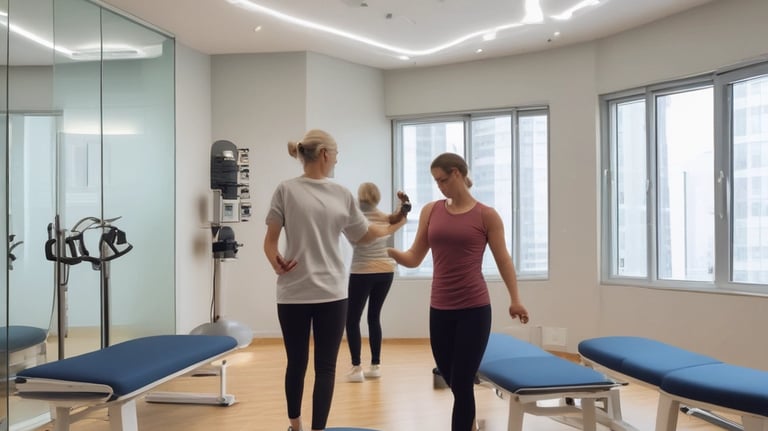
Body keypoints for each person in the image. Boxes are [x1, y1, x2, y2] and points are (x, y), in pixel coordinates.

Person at [263, 129, 408, 431]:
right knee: (297, 364)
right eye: (337, 155)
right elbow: (270, 242)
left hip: (331, 293)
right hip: (294, 293)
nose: (337, 161)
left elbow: (365, 235)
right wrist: (274, 259)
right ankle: (295, 424)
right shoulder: (286, 190)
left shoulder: (341, 193)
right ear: (325, 155)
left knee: (324, 367)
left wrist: (398, 219)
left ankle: (315, 429)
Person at [387, 152, 530, 431]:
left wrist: (516, 300)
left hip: (474, 310)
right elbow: (415, 257)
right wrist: (390, 253)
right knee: (451, 377)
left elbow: (503, 259)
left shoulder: (486, 215)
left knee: (462, 381)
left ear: (457, 174)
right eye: (436, 181)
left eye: (442, 180)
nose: (439, 186)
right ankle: (471, 422)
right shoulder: (431, 210)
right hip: (439, 309)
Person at [345, 182, 408, 382]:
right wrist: (403, 204)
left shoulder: (354, 217)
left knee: (352, 319)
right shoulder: (384, 217)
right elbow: (399, 218)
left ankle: (357, 368)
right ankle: (375, 365)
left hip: (362, 271)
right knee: (374, 317)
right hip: (386, 271)